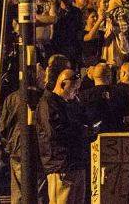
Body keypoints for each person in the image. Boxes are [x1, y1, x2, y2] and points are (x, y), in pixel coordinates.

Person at [37, 64, 88, 204]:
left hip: (74, 162)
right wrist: (80, 131)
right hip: (61, 165)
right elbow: (54, 132)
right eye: (74, 88)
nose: (76, 93)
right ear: (63, 84)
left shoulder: (71, 104)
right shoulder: (48, 103)